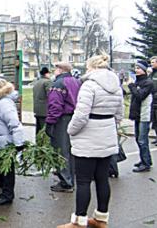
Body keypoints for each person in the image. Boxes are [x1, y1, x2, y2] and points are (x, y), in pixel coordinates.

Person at [57, 55, 124, 228]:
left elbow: (81, 116)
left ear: (91, 67)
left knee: (84, 181)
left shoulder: (89, 86)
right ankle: (101, 219)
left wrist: (70, 130)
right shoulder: (116, 86)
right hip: (107, 135)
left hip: (88, 138)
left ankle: (79, 221)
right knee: (102, 179)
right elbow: (119, 115)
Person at [0, 78, 24, 205]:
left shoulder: (4, 104)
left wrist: (19, 145)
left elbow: (15, 125)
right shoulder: (0, 102)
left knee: (7, 171)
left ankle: (7, 196)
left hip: (5, 144)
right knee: (3, 170)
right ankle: (5, 193)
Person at [46, 62, 81, 193]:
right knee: (71, 151)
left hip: (62, 119)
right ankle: (71, 178)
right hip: (74, 117)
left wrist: (50, 122)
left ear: (60, 70)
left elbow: (55, 105)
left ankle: (66, 182)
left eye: (55, 68)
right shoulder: (76, 81)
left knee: (61, 150)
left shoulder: (58, 84)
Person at [128, 60, 153, 173]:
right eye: (135, 68)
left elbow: (140, 96)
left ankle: (146, 163)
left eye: (138, 68)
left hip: (144, 115)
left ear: (143, 70)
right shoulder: (137, 82)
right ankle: (145, 159)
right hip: (138, 115)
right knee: (139, 139)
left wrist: (132, 87)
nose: (136, 70)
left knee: (142, 140)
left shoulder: (148, 83)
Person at [33, 67, 52, 135]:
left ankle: (38, 143)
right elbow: (50, 95)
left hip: (37, 109)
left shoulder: (37, 82)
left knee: (38, 129)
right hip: (45, 110)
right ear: (46, 74)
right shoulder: (47, 82)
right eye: (49, 73)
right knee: (44, 130)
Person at [149, 57, 157, 145]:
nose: (151, 64)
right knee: (154, 121)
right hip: (152, 101)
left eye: (153, 62)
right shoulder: (152, 74)